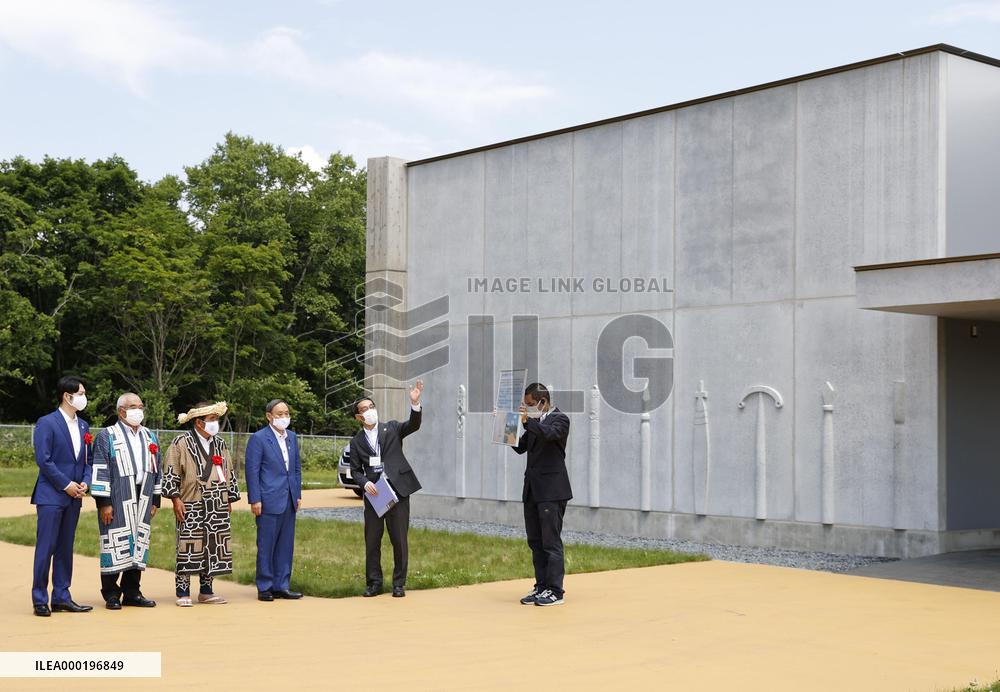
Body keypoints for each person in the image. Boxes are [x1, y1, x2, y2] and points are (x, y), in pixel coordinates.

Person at [349, 380, 424, 598]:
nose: (370, 411)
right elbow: (355, 470)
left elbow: (413, 425)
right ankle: (374, 583)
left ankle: (399, 583)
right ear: (358, 417)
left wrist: (415, 403)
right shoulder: (356, 442)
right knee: (372, 540)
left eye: (372, 407)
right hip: (375, 495)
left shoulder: (391, 428)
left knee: (399, 539)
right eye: (365, 409)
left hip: (398, 491)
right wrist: (365, 483)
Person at [161, 401, 240, 607]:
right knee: (187, 546)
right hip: (190, 502)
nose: (215, 423)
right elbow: (171, 472)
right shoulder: (181, 442)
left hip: (217, 503)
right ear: (199, 422)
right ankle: (183, 591)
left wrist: (229, 497)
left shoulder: (220, 444)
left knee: (213, 545)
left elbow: (229, 471)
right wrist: (175, 499)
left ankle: (206, 590)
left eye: (216, 419)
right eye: (212, 419)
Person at [30, 375, 94, 616]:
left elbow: (87, 460)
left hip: (74, 496)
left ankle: (61, 596)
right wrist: (66, 484)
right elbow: (43, 460)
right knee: (46, 547)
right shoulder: (46, 423)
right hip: (51, 496)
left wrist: (85, 483)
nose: (84, 398)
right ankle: (39, 598)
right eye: (81, 393)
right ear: (67, 396)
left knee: (66, 548)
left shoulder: (84, 426)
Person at [90, 393, 161, 609]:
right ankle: (111, 593)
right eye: (133, 406)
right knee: (114, 542)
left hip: (144, 493)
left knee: (139, 542)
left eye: (140, 406)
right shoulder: (107, 436)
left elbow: (157, 468)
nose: (138, 410)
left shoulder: (150, 436)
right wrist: (104, 502)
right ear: (121, 411)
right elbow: (100, 469)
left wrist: (156, 498)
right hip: (117, 495)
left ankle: (132, 591)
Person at [510, 383, 572, 606]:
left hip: (552, 491)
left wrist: (529, 422)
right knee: (535, 542)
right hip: (532, 491)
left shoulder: (560, 419)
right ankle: (542, 586)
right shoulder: (534, 424)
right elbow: (520, 447)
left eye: (529, 405)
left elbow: (548, 434)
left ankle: (555, 590)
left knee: (550, 542)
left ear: (542, 402)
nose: (526, 409)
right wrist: (507, 425)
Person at [245, 399, 303, 602]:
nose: (284, 417)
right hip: (268, 499)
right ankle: (265, 586)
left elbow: (296, 468)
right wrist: (255, 499)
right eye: (279, 414)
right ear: (269, 416)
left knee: (286, 545)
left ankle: (282, 585)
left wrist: (297, 494)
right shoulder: (259, 439)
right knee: (267, 544)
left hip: (288, 499)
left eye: (286, 413)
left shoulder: (292, 437)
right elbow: (252, 471)